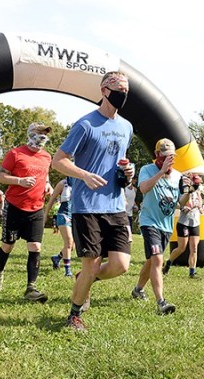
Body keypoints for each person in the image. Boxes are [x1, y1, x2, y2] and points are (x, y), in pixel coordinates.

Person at [51, 71, 135, 331]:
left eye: (126, 90)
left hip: (115, 204)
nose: (122, 94)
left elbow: (118, 162)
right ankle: (74, 315)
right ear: (104, 90)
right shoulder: (86, 124)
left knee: (121, 265)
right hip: (87, 206)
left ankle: (83, 279)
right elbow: (59, 160)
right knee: (93, 262)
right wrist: (83, 175)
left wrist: (127, 172)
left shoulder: (126, 127)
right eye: (117, 89)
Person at [0, 123, 54, 303]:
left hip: (36, 209)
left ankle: (31, 288)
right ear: (30, 134)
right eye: (40, 133)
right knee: (7, 246)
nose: (43, 136)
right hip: (15, 207)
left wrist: (48, 184)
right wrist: (19, 180)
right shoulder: (15, 153)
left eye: (45, 134)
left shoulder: (47, 156)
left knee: (35, 247)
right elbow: (0, 176)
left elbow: (45, 175)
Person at [132, 139, 192, 314]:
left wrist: (190, 191)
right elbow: (143, 188)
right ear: (157, 155)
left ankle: (138, 289)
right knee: (158, 259)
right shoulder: (147, 170)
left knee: (152, 260)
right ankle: (161, 302)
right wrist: (161, 172)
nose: (169, 160)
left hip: (166, 225)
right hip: (149, 221)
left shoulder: (178, 176)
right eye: (166, 156)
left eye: (172, 156)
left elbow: (181, 202)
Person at [163, 174, 203, 279]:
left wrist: (200, 207)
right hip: (184, 222)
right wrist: (183, 208)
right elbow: (180, 203)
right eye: (196, 182)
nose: (197, 184)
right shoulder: (184, 191)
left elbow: (200, 202)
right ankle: (168, 263)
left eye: (198, 183)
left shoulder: (198, 191)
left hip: (195, 222)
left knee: (194, 248)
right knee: (181, 248)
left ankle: (192, 272)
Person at [45, 177, 74, 277]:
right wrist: (45, 215)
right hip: (64, 215)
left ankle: (57, 258)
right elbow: (52, 199)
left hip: (76, 216)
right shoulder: (62, 184)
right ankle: (68, 271)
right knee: (69, 242)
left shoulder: (82, 182)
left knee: (72, 246)